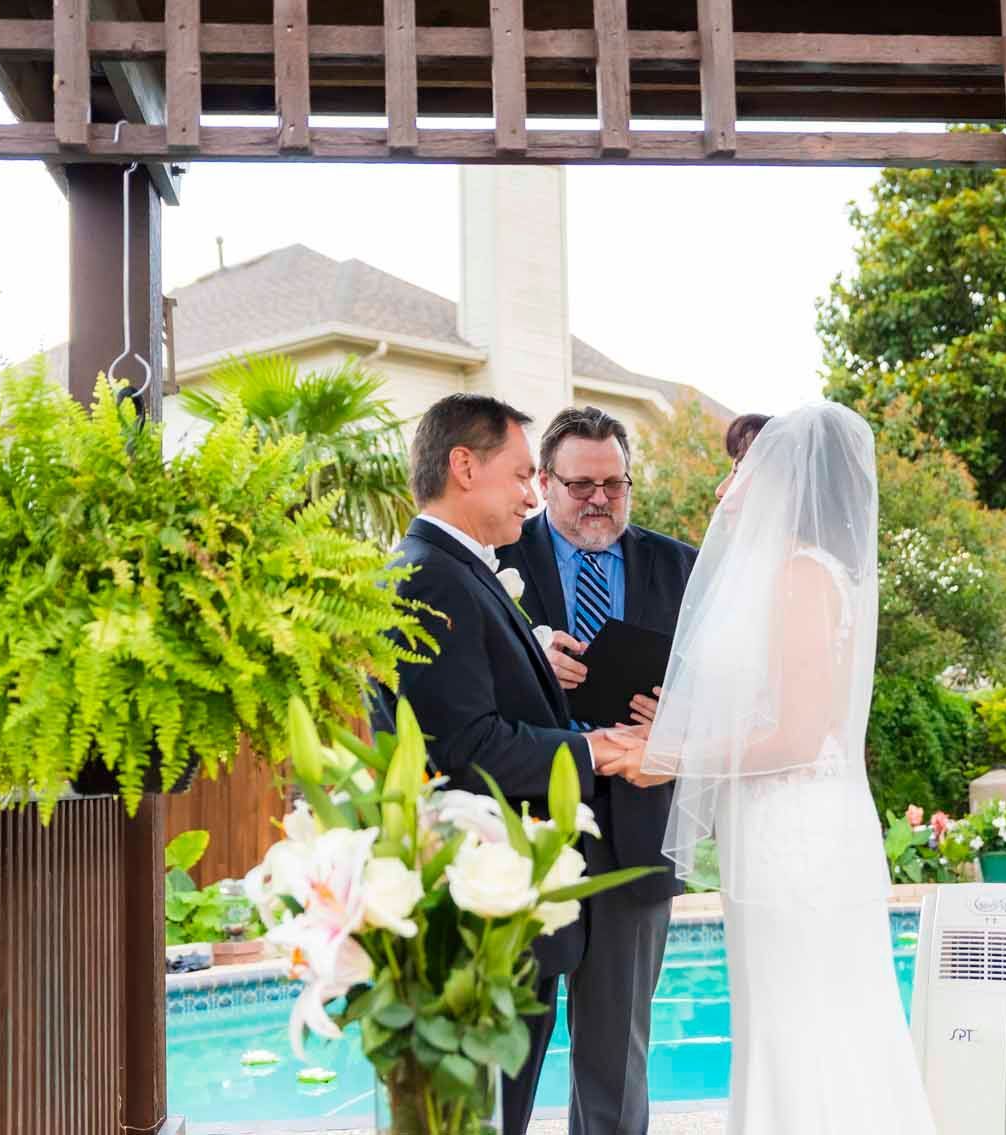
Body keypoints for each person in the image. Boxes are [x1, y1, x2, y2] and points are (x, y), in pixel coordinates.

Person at [635, 403, 940, 1135]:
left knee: (807, 1024)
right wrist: (681, 730)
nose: (729, 485)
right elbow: (772, 714)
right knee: (791, 1018)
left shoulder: (802, 575)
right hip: (786, 825)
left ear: (788, 481)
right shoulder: (803, 572)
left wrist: (671, 755)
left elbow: (800, 737)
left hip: (795, 835)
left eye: (743, 465)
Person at [370, 393, 642, 1135]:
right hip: (482, 915)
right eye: (523, 474)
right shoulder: (430, 577)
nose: (534, 492)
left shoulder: (457, 569)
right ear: (464, 466)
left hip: (507, 911)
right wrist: (593, 750)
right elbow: (466, 748)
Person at [495, 406, 697, 1135]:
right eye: (581, 484)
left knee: (616, 1056)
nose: (599, 499)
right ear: (544, 481)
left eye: (615, 483)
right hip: (524, 835)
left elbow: (726, 692)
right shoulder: (496, 563)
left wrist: (679, 712)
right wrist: (529, 660)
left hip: (639, 830)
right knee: (506, 1047)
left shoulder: (683, 566)